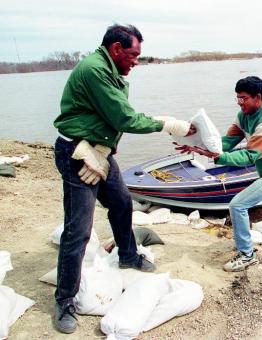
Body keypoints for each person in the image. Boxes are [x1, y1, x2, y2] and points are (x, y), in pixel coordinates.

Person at [52, 24, 195, 334]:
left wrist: (103, 152)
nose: (136, 62)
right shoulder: (94, 70)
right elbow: (123, 118)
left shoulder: (110, 69)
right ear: (116, 49)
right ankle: (64, 300)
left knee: (121, 202)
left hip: (99, 151)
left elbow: (114, 115)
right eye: (133, 55)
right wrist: (167, 123)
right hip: (79, 153)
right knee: (78, 229)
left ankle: (128, 254)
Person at [176, 76, 262, 272]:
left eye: (244, 98)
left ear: (258, 97)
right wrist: (198, 146)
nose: (240, 102)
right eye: (237, 98)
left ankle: (247, 255)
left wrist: (218, 157)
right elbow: (228, 141)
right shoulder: (243, 115)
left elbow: (249, 156)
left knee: (237, 205)